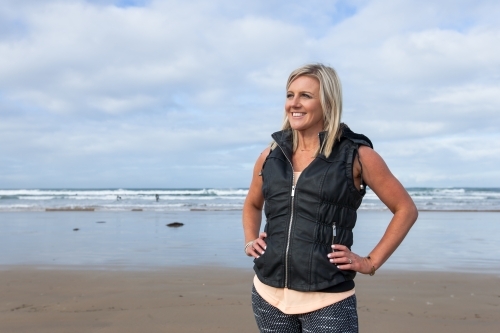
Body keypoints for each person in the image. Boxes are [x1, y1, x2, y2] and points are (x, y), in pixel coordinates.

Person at [242, 63, 418, 333]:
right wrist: (250, 239)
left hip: (328, 300)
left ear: (328, 102)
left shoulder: (357, 156)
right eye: (290, 95)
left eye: (306, 96)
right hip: (268, 295)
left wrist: (370, 262)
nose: (294, 104)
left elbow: (405, 209)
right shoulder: (271, 155)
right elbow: (253, 204)